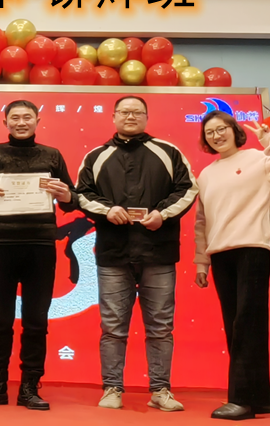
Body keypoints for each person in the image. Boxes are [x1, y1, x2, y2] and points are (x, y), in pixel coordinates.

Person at [76, 95, 198, 412]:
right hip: (113, 253)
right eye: (124, 112)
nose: (130, 117)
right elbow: (82, 194)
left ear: (146, 117)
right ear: (114, 116)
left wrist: (162, 214)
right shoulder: (97, 156)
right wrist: (107, 209)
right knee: (113, 328)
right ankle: (112, 388)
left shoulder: (168, 152)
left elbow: (188, 188)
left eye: (137, 112)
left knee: (160, 326)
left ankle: (160, 390)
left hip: (158, 252)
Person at [192, 111, 270, 421]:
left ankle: (241, 399)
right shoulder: (206, 174)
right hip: (220, 255)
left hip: (252, 249)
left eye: (222, 129)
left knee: (247, 324)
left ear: (235, 130)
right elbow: (202, 221)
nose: (216, 135)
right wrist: (202, 261)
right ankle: (259, 398)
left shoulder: (259, 159)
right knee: (235, 325)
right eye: (210, 132)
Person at [0, 100, 78, 411]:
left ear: (37, 120)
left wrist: (65, 194)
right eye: (14, 117)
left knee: (36, 321)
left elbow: (71, 201)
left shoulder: (52, 155)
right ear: (5, 122)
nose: (21, 122)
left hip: (40, 246)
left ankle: (30, 386)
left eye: (27, 117)